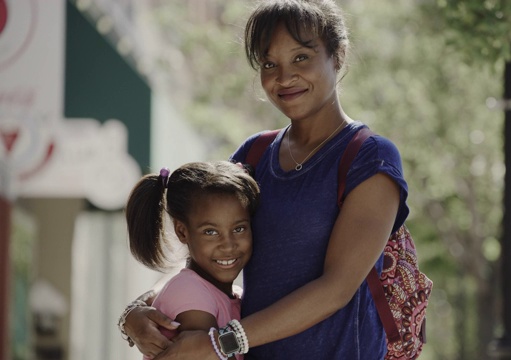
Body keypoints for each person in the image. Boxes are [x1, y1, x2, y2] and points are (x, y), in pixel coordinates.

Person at [119, 0, 410, 359]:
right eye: (269, 64)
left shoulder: (369, 157)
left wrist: (220, 342)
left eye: (301, 58)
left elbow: (337, 288)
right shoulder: (253, 155)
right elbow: (205, 262)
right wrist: (135, 312)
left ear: (338, 56)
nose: (284, 77)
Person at [121, 161, 260, 360]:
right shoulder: (190, 293)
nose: (228, 245)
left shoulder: (231, 294)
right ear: (182, 232)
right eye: (210, 232)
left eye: (239, 229)